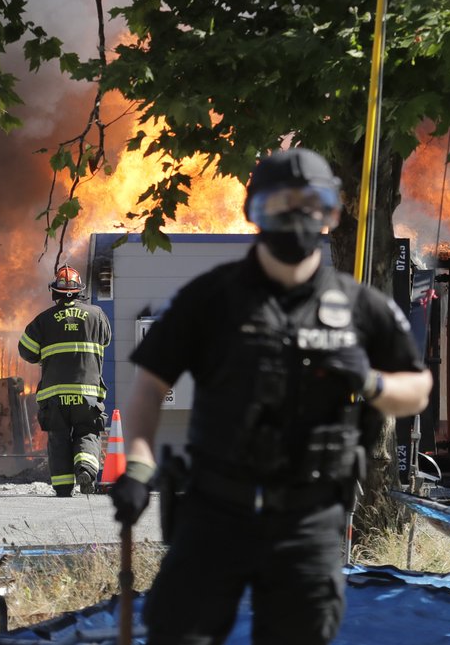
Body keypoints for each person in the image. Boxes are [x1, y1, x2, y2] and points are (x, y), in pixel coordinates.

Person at [109, 148, 433, 644]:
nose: (296, 217)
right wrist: (137, 465)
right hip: (215, 510)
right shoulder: (208, 299)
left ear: (333, 212)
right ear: (253, 210)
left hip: (310, 520)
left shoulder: (362, 308)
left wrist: (371, 383)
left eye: (311, 204)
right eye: (281, 204)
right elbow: (149, 385)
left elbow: (417, 390)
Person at [19, 264, 112, 497]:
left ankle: (62, 487)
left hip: (55, 395)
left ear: (55, 292)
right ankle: (86, 470)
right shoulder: (97, 315)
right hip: (87, 394)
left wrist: (47, 353)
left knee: (58, 437)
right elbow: (106, 340)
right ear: (80, 291)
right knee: (87, 431)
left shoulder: (43, 320)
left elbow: (26, 351)